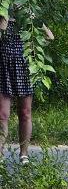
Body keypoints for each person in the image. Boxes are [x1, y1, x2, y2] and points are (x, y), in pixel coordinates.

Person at [0, 11, 53, 165]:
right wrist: (4, 19)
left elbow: (49, 37)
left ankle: (24, 155)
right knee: (2, 115)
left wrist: (33, 17)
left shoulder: (27, 20)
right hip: (3, 69)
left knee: (25, 113)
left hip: (24, 69)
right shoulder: (2, 15)